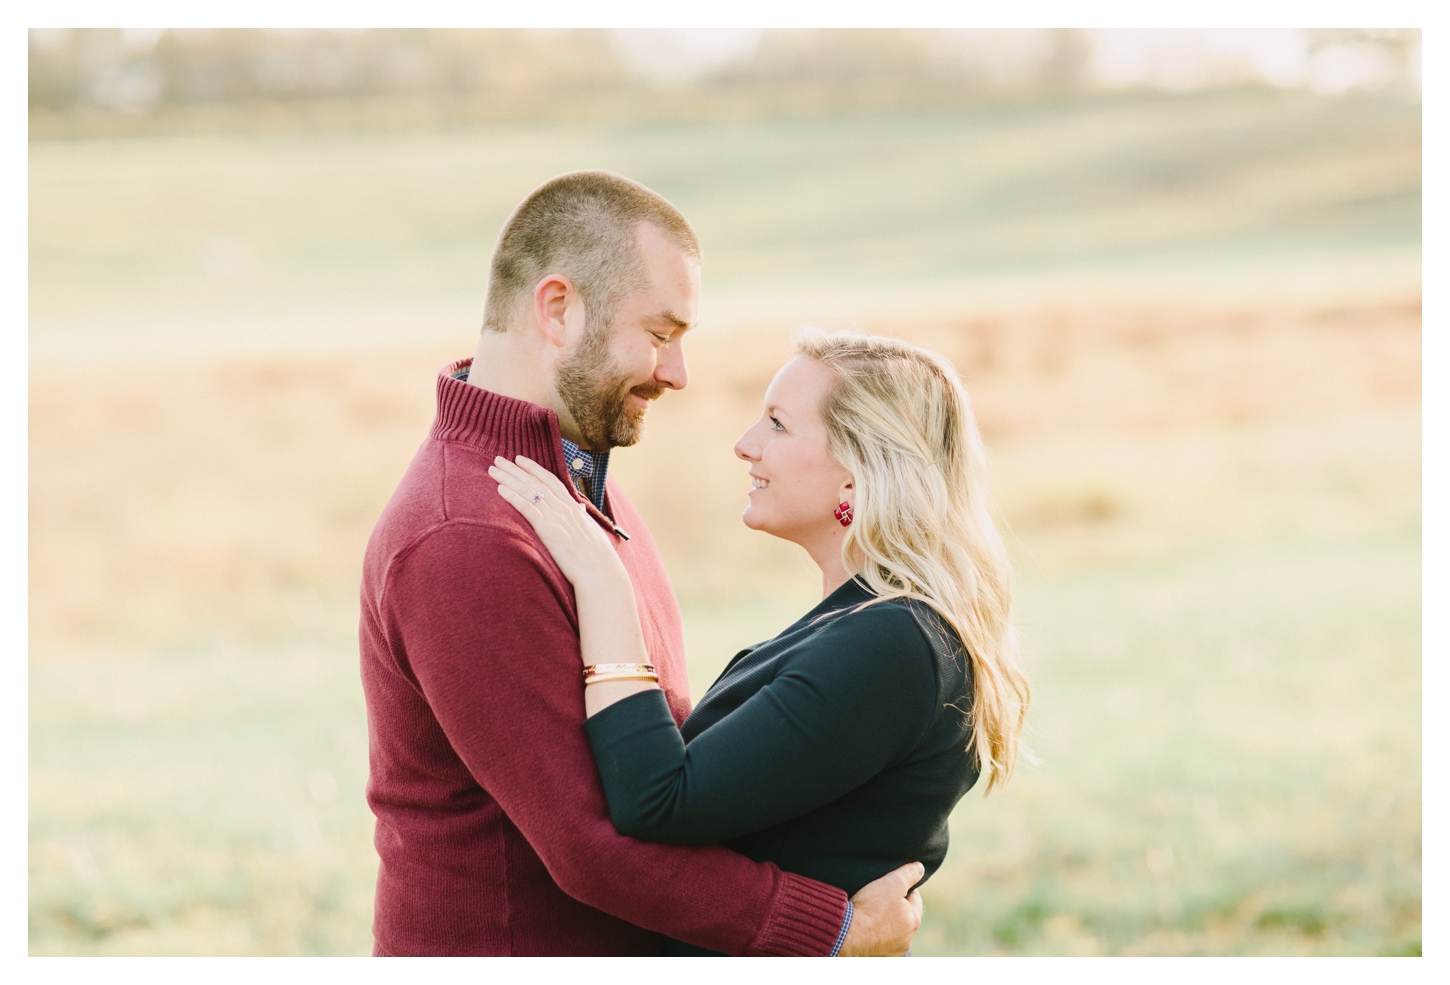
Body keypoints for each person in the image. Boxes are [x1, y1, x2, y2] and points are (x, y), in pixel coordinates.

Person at [359, 170, 923, 956]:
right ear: (558, 309)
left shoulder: (574, 493)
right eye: (661, 334)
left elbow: (663, 757)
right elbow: (590, 845)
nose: (678, 372)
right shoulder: (467, 535)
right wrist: (831, 929)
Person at [490, 328, 1032, 956]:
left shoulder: (894, 645)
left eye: (777, 424)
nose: (746, 445)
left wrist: (603, 587)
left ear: (858, 475)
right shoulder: (869, 625)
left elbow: (658, 802)